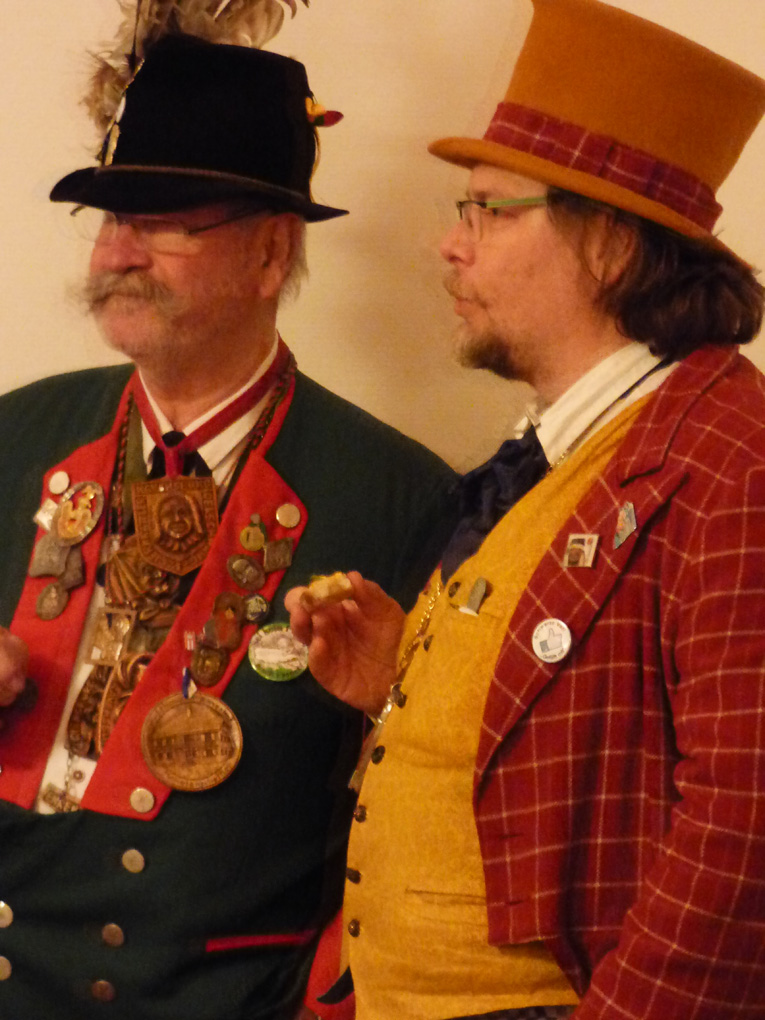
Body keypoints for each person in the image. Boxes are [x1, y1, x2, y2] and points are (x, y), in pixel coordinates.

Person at [285, 1, 765, 1018]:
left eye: (488, 211)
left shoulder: (731, 464)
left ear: (612, 247)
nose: (448, 246)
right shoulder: (570, 452)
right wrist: (401, 683)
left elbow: (746, 824)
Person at [0, 19, 457, 1020]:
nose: (118, 251)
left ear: (269, 254)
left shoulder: (402, 500)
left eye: (162, 222)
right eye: (109, 217)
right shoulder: (14, 436)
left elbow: (427, 817)